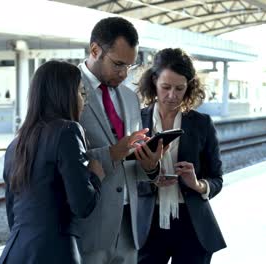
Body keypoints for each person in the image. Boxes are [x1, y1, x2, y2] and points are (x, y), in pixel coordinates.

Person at [0, 61, 105, 264]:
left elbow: (12, 213)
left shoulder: (16, 144)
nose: (83, 102)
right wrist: (96, 177)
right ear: (64, 95)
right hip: (54, 252)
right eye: (81, 93)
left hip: (14, 252)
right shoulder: (68, 131)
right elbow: (82, 205)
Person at [77, 17, 163, 264]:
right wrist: (113, 152)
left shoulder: (129, 97)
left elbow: (130, 160)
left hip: (129, 226)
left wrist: (150, 166)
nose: (124, 74)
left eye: (130, 66)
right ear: (95, 50)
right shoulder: (66, 87)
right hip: (88, 229)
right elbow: (54, 155)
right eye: (118, 64)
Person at [137, 48, 226, 264]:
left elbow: (217, 179)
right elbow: (123, 178)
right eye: (166, 87)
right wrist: (152, 179)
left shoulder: (202, 124)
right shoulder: (136, 122)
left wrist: (197, 184)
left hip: (192, 226)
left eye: (180, 88)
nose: (172, 95)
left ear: (189, 87)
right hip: (147, 225)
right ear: (154, 81)